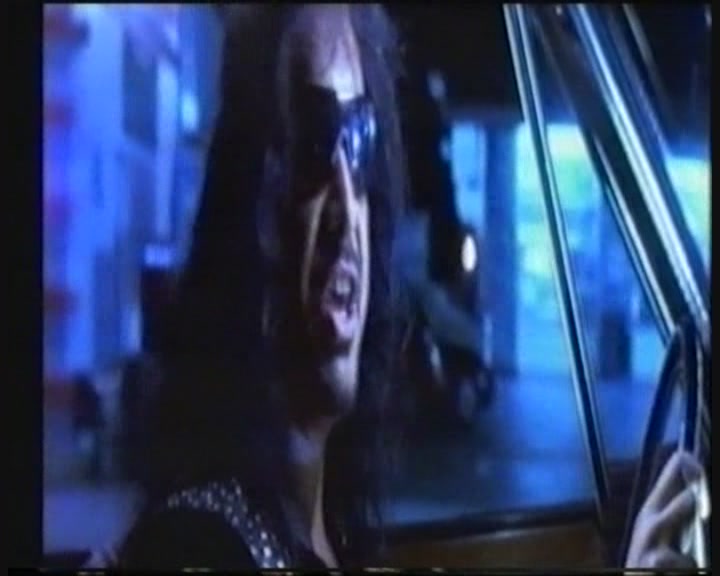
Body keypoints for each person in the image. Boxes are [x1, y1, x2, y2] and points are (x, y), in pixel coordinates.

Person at [113, 4, 705, 570]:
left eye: (359, 137)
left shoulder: (329, 533)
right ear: (246, 200)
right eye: (313, 138)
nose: (347, 204)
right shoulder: (194, 542)